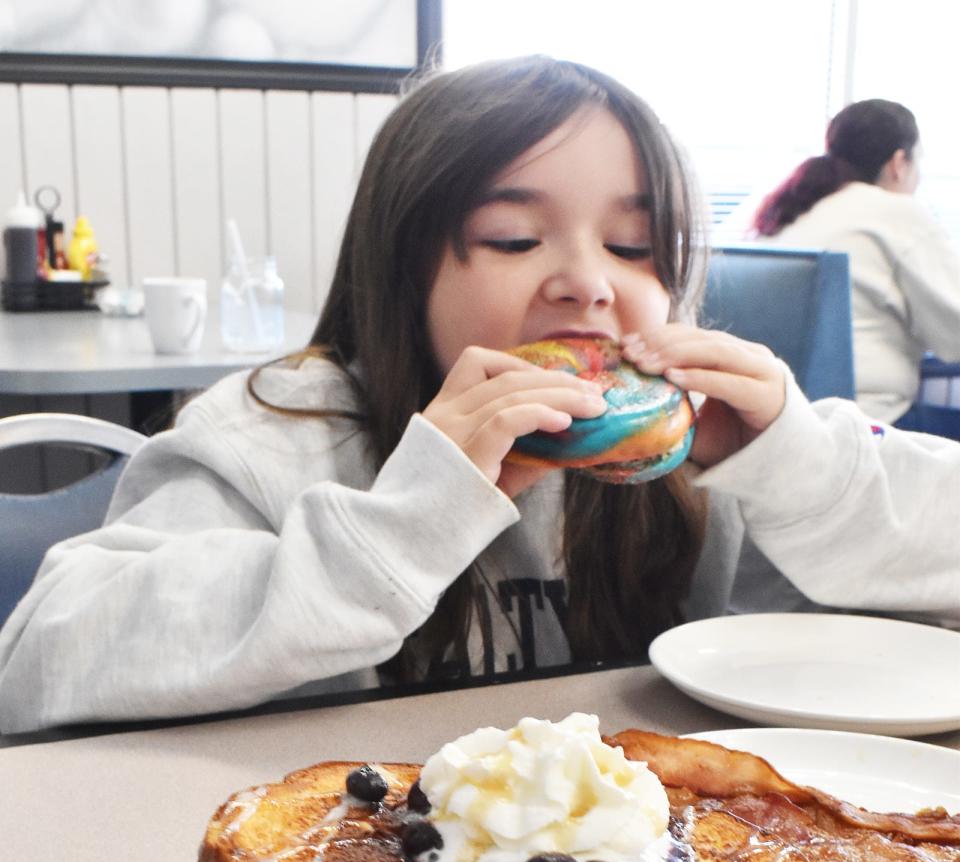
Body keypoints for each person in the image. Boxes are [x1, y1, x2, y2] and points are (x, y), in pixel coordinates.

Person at [0, 57, 958, 735]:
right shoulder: (281, 433)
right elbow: (42, 664)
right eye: (512, 237)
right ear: (401, 265)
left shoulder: (719, 466)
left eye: (633, 246)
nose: (588, 281)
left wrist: (804, 474)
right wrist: (400, 526)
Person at [748, 98, 960, 423]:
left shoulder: (793, 211)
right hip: (866, 425)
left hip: (782, 421)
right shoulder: (896, 211)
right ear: (899, 162)